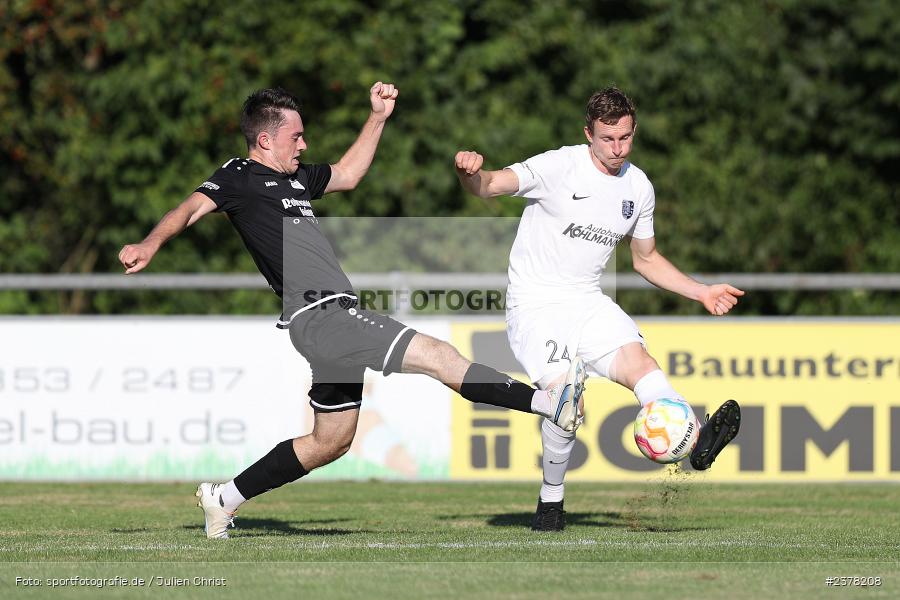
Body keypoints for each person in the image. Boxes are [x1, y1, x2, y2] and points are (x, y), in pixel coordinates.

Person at [118, 83, 586, 539]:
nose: (303, 144)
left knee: (331, 441)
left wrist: (378, 118)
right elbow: (188, 209)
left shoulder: (295, 179)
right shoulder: (238, 176)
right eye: (295, 137)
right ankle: (548, 404)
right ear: (265, 140)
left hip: (326, 320)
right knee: (440, 356)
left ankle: (224, 498)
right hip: (322, 315)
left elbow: (348, 173)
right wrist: (150, 242)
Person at [454, 87, 743, 531]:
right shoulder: (557, 167)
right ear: (588, 133)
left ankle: (695, 441)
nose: (617, 148)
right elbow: (490, 185)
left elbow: (645, 260)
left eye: (625, 138)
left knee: (641, 365)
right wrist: (470, 172)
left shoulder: (638, 186)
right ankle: (551, 504)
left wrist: (699, 291)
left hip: (587, 301)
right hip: (536, 305)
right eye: (607, 139)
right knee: (566, 404)